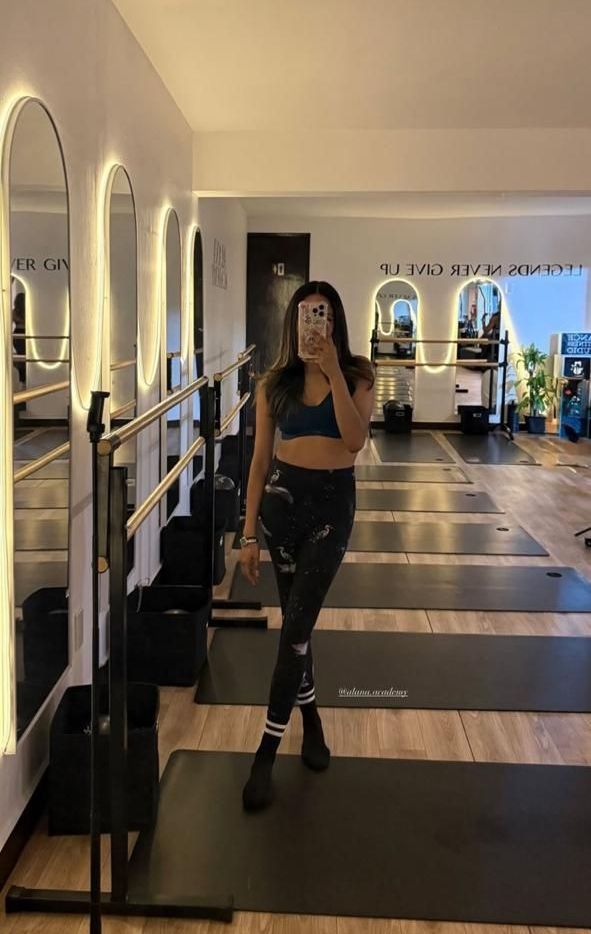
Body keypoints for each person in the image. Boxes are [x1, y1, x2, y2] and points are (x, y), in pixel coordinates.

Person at [239, 280, 375, 811]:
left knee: (295, 628)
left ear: (335, 321)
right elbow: (258, 462)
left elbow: (355, 441)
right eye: (306, 314)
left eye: (323, 314)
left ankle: (265, 753)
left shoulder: (358, 374)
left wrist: (333, 371)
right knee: (298, 624)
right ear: (293, 322)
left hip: (331, 510)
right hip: (281, 508)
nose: (315, 323)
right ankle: (312, 719)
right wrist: (248, 534)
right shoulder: (274, 382)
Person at [12, 291, 26, 385]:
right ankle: (25, 377)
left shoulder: (14, 312)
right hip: (25, 333)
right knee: (25, 355)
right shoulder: (28, 311)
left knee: (20, 355)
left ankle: (22, 378)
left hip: (17, 333)